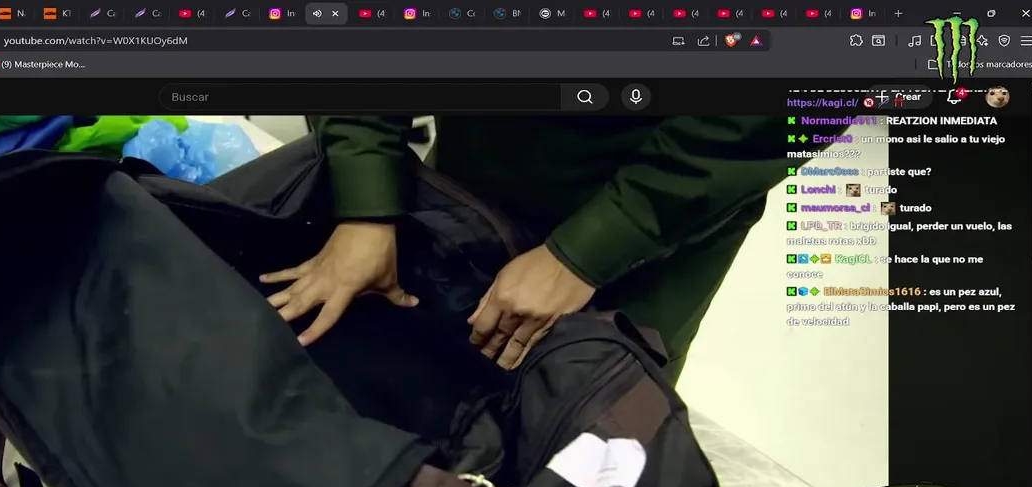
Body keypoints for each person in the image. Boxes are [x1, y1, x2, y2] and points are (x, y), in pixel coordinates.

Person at [261, 115, 812, 383]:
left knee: (578, 444)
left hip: (661, 218)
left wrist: (590, 250)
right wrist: (366, 200)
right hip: (473, 175)